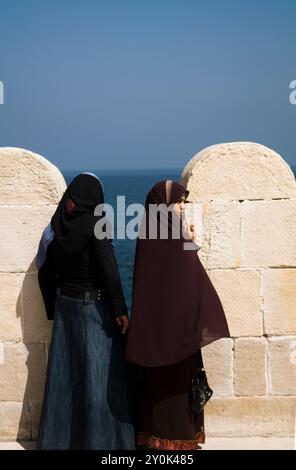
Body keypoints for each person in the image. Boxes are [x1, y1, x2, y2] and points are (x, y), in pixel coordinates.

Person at [124, 180, 230, 450]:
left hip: (156, 324)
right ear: (164, 203)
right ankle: (178, 440)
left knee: (158, 384)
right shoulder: (170, 232)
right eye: (178, 202)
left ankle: (153, 437)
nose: (182, 207)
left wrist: (188, 240)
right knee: (176, 384)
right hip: (177, 326)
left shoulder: (150, 229)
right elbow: (185, 273)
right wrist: (189, 242)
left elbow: (166, 274)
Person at [36, 172, 135, 450]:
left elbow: (43, 268)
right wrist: (120, 310)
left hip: (65, 307)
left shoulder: (56, 225)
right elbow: (109, 270)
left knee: (64, 380)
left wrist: (51, 308)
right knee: (99, 378)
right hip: (93, 308)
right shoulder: (98, 223)